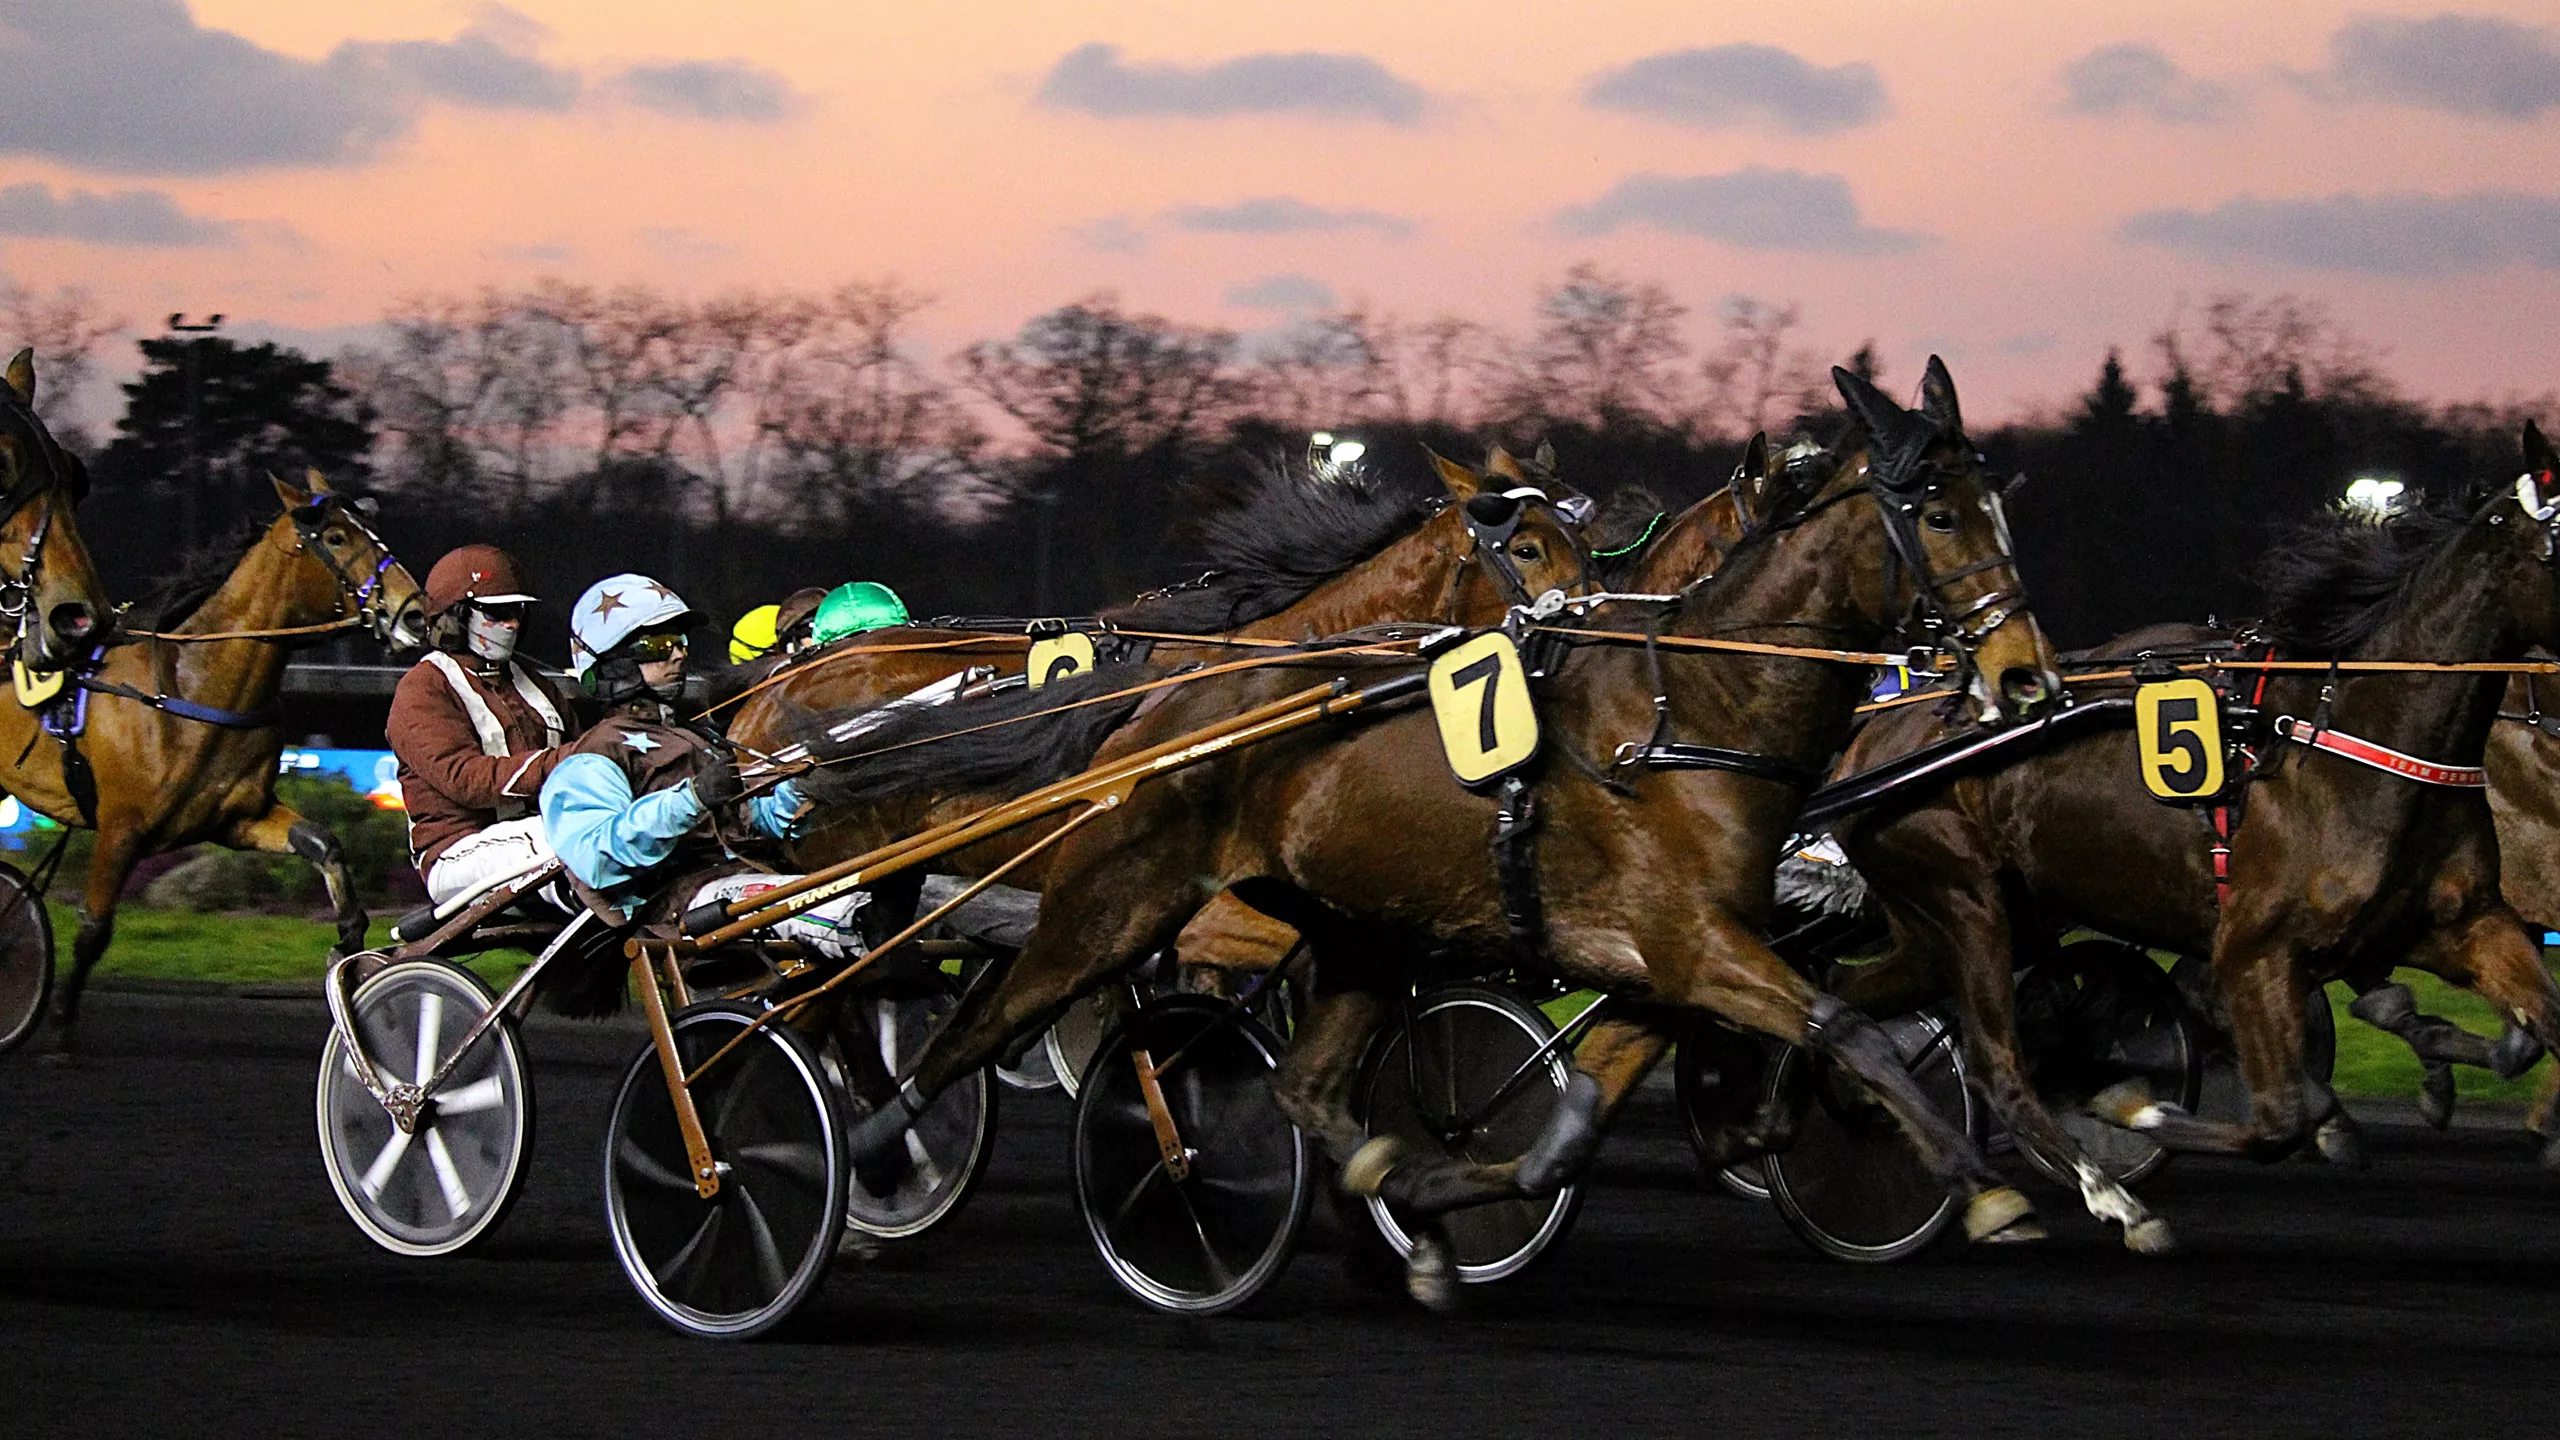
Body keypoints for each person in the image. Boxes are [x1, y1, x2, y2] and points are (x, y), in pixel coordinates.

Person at [540, 573, 869, 954]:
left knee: (909, 895)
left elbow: (753, 821)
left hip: (748, 876)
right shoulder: (595, 756)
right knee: (854, 914)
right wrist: (692, 799)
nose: (678, 654)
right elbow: (594, 858)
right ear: (613, 663)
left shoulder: (697, 737)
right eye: (658, 644)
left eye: (679, 642)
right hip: (680, 903)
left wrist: (804, 782)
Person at [388, 545, 576, 907]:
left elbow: (584, 750)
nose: (513, 624)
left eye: (517, 611)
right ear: (455, 616)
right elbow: (465, 780)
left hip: (533, 840)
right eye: (497, 612)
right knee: (571, 839)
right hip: (456, 854)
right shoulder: (424, 687)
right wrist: (572, 759)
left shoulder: (537, 685)